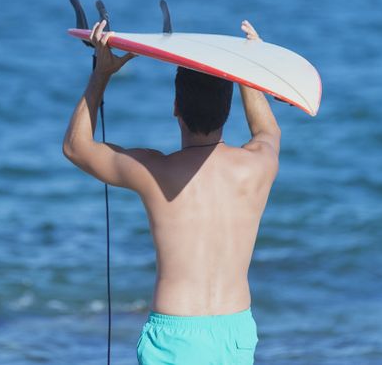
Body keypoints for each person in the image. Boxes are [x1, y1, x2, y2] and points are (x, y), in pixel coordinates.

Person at [62, 19, 280, 365]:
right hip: (236, 333)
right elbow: (268, 130)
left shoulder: (155, 171)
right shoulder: (258, 166)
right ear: (227, 112)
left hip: (175, 339)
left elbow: (76, 147)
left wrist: (102, 73)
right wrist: (246, 68)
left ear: (176, 107)